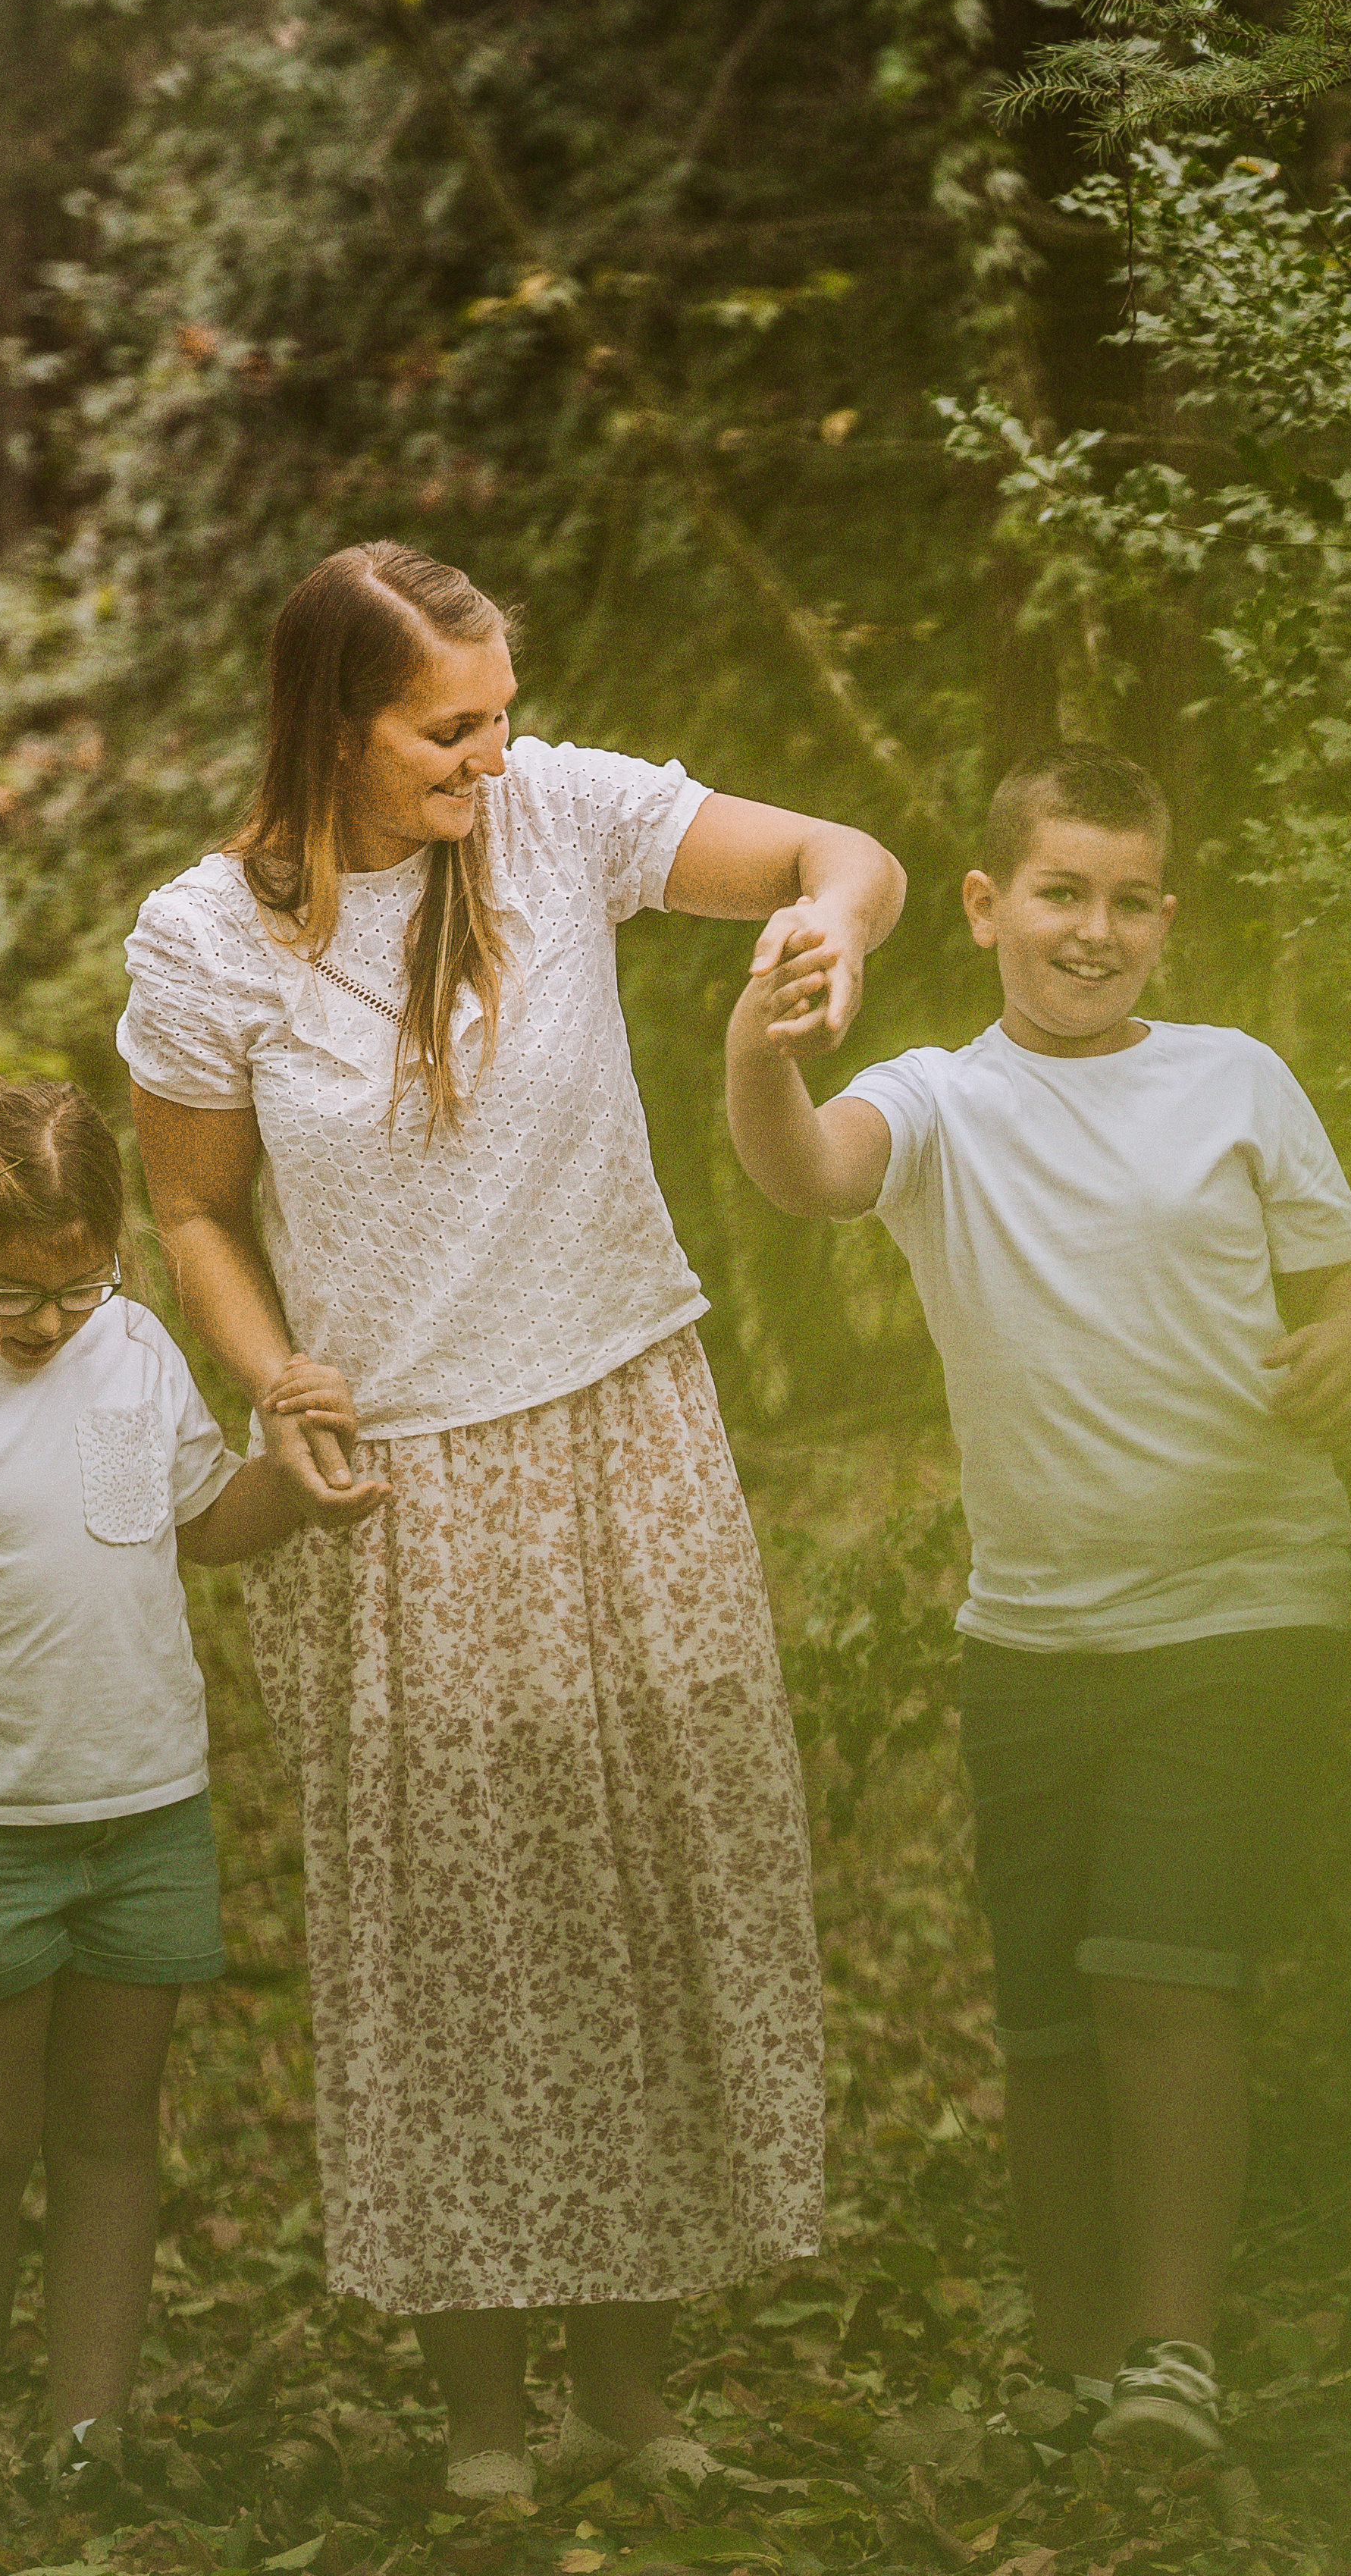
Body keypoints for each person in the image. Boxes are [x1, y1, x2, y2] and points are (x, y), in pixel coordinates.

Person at [117, 542, 906, 2501]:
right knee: (468, 1936)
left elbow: (848, 854)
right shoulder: (210, 941)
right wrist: (274, 1379)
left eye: (498, 710)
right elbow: (197, 1214)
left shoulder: (559, 819)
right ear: (333, 725)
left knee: (644, 1897)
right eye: (444, 726)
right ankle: (484, 2419)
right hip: (409, 1480)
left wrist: (832, 932)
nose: (490, 749)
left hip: (627, 1416)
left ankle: (638, 2400)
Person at [718, 743, 1351, 2468]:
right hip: (1030, 1627)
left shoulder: (1238, 1079)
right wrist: (759, 1047)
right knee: (1048, 2016)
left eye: (1128, 898)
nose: (1093, 929)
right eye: (1060, 892)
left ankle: (1176, 2353)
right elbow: (803, 1169)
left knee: (1165, 1982)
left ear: (1167, 913)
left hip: (1243, 1599)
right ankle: (1080, 2358)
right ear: (987, 902)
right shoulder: (944, 1101)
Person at [0, 1076, 387, 2505]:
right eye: (17, 1294)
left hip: (143, 1815)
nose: (53, 1322)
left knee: (114, 2127)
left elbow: (201, 1525)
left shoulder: (134, 1354)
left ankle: (88, 2427)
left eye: (82, 1285)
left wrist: (293, 1479)